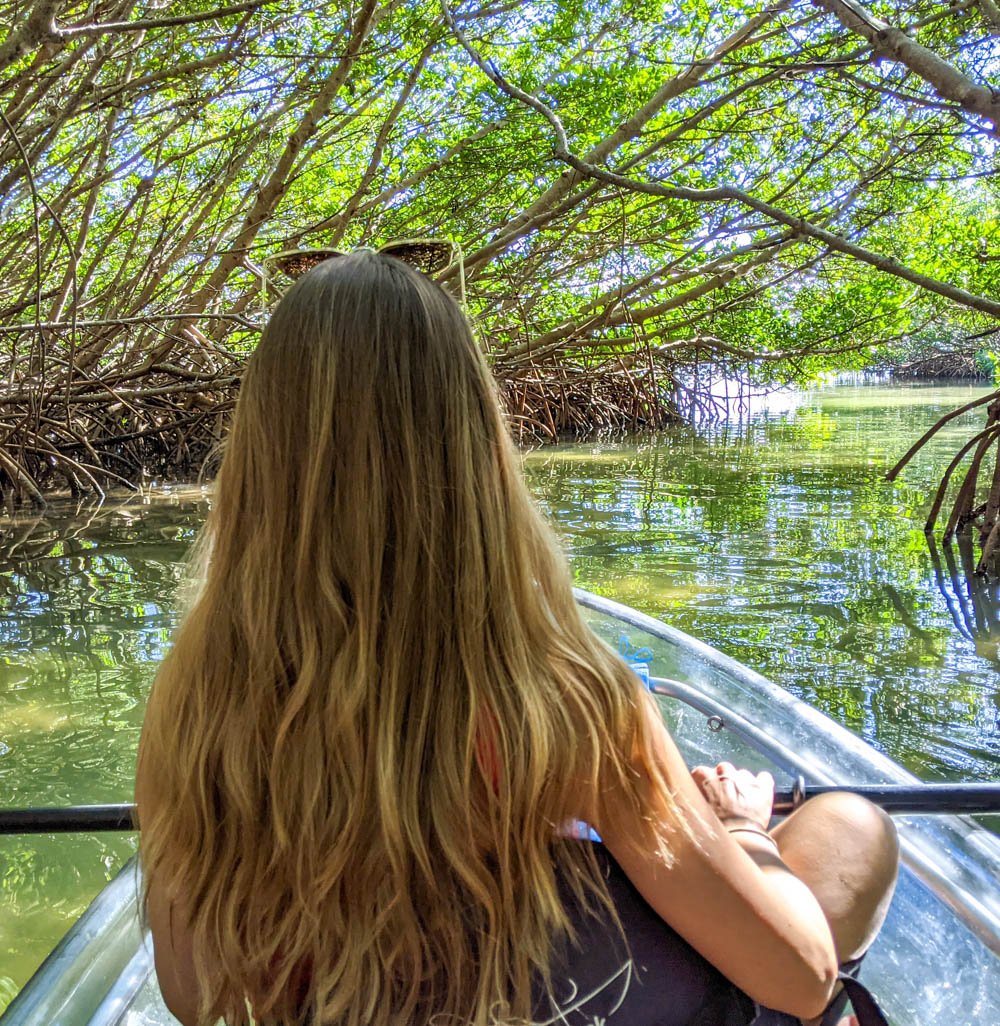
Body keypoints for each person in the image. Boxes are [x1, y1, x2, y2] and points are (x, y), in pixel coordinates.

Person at [135, 249, 899, 1026]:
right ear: (476, 448)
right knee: (850, 826)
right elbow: (801, 978)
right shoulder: (565, 696)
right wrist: (742, 831)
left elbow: (193, 996)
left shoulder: (194, 698)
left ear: (264, 453)